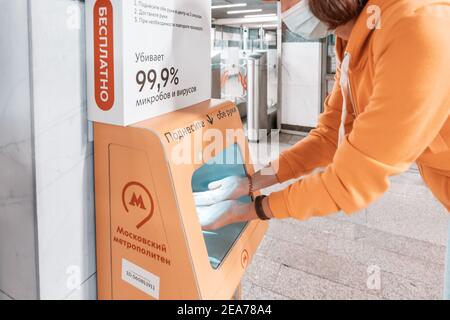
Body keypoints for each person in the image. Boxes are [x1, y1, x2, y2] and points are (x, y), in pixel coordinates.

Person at [195, 0, 450, 238]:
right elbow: (327, 139)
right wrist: (251, 182)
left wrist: (244, 212)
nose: (280, 9)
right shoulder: (351, 45)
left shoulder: (414, 29)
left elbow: (348, 181)